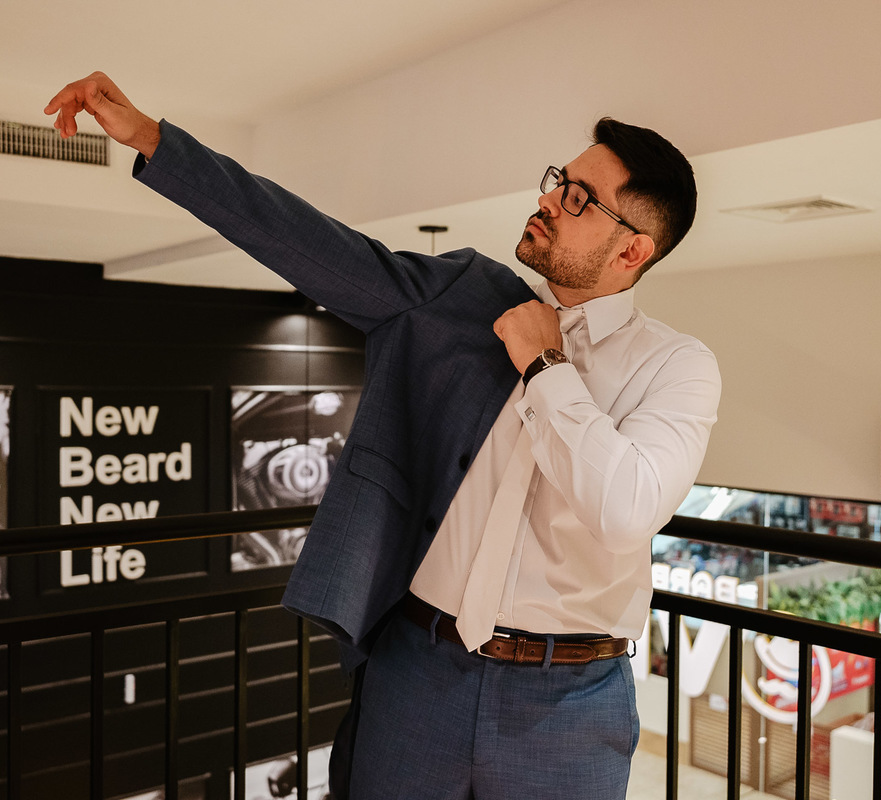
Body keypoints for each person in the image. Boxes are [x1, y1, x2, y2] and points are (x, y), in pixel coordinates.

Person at [46, 72, 721, 800]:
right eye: (561, 182)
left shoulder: (677, 367)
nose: (548, 201)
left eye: (579, 200)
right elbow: (312, 245)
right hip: (417, 676)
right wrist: (154, 141)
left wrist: (544, 364)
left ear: (632, 252)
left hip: (570, 705)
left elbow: (627, 507)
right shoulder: (465, 296)